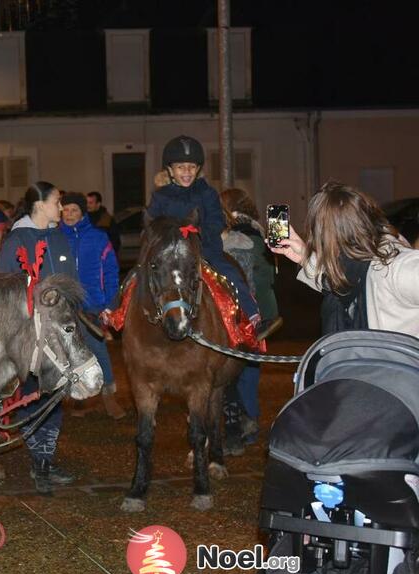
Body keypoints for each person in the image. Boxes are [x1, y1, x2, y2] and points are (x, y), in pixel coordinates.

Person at [147, 135, 275, 340]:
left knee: (230, 274)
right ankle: (119, 313)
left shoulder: (207, 192)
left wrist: (198, 232)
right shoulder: (161, 197)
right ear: (170, 170)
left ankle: (253, 317)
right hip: (171, 254)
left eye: (191, 167)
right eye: (181, 167)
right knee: (138, 276)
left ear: (198, 169)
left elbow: (216, 220)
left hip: (205, 250)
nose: (186, 172)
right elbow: (153, 223)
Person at [0, 181, 78, 495]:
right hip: (27, 337)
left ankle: (45, 460)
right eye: (57, 201)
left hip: (59, 335)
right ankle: (39, 462)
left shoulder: (58, 238)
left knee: (56, 394)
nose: (60, 207)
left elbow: (71, 284)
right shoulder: (17, 240)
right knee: (33, 395)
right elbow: (5, 290)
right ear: (40, 205)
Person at [270, 181, 419, 337]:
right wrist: (304, 256)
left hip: (389, 360)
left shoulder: (397, 266)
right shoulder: (357, 263)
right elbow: (338, 283)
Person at [220, 189, 282, 451]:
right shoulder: (261, 229)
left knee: (241, 369)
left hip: (247, 310)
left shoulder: (238, 236)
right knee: (250, 368)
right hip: (265, 307)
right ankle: (250, 420)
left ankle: (246, 422)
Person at [58, 192, 125, 419]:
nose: (69, 214)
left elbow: (111, 271)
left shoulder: (98, 237)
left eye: (74, 210)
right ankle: (79, 399)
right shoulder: (56, 238)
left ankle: (109, 396)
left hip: (92, 305)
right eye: (65, 210)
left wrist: (110, 303)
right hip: (64, 306)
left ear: (82, 212)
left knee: (97, 349)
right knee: (68, 353)